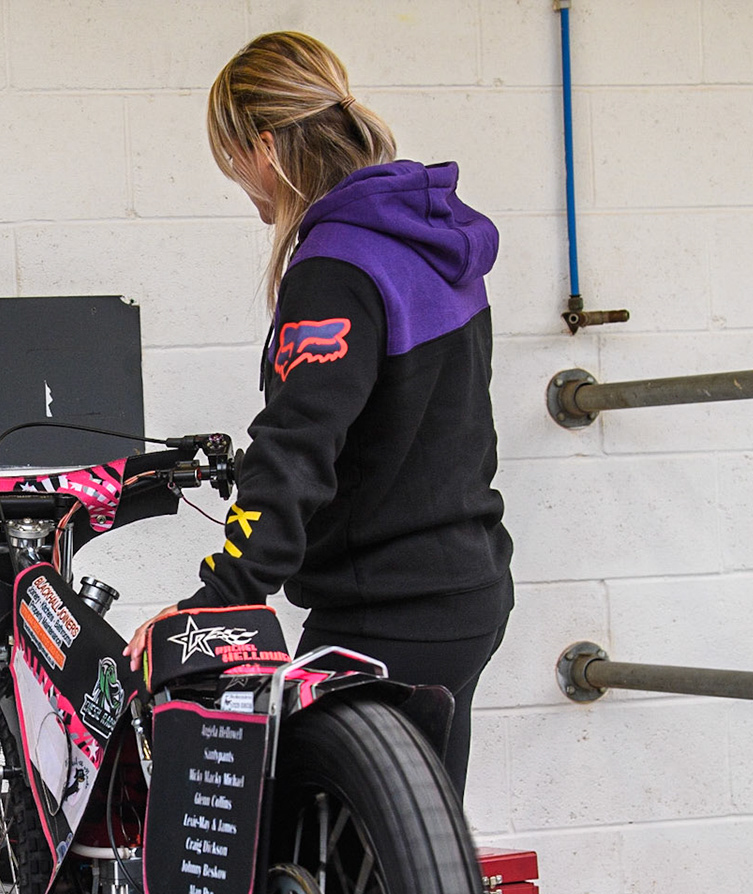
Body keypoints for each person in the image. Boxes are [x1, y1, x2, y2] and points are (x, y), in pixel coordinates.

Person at [127, 31, 512, 796]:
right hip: (466, 594)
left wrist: (221, 598)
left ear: (264, 145)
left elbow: (295, 452)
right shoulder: (429, 242)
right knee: (411, 878)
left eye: (234, 161)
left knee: (287, 855)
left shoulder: (335, 266)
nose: (244, 186)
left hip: (384, 619)